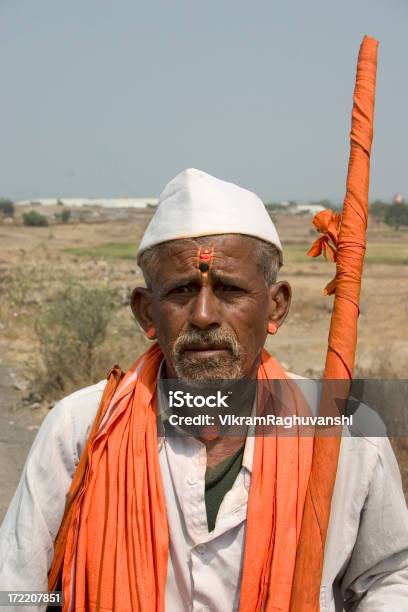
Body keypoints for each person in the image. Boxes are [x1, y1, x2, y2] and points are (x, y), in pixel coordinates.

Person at [0, 168, 407, 611]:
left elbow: (388, 577)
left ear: (277, 306)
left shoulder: (345, 430)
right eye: (181, 290)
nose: (204, 315)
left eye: (229, 289)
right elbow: (17, 588)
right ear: (146, 312)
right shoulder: (81, 428)